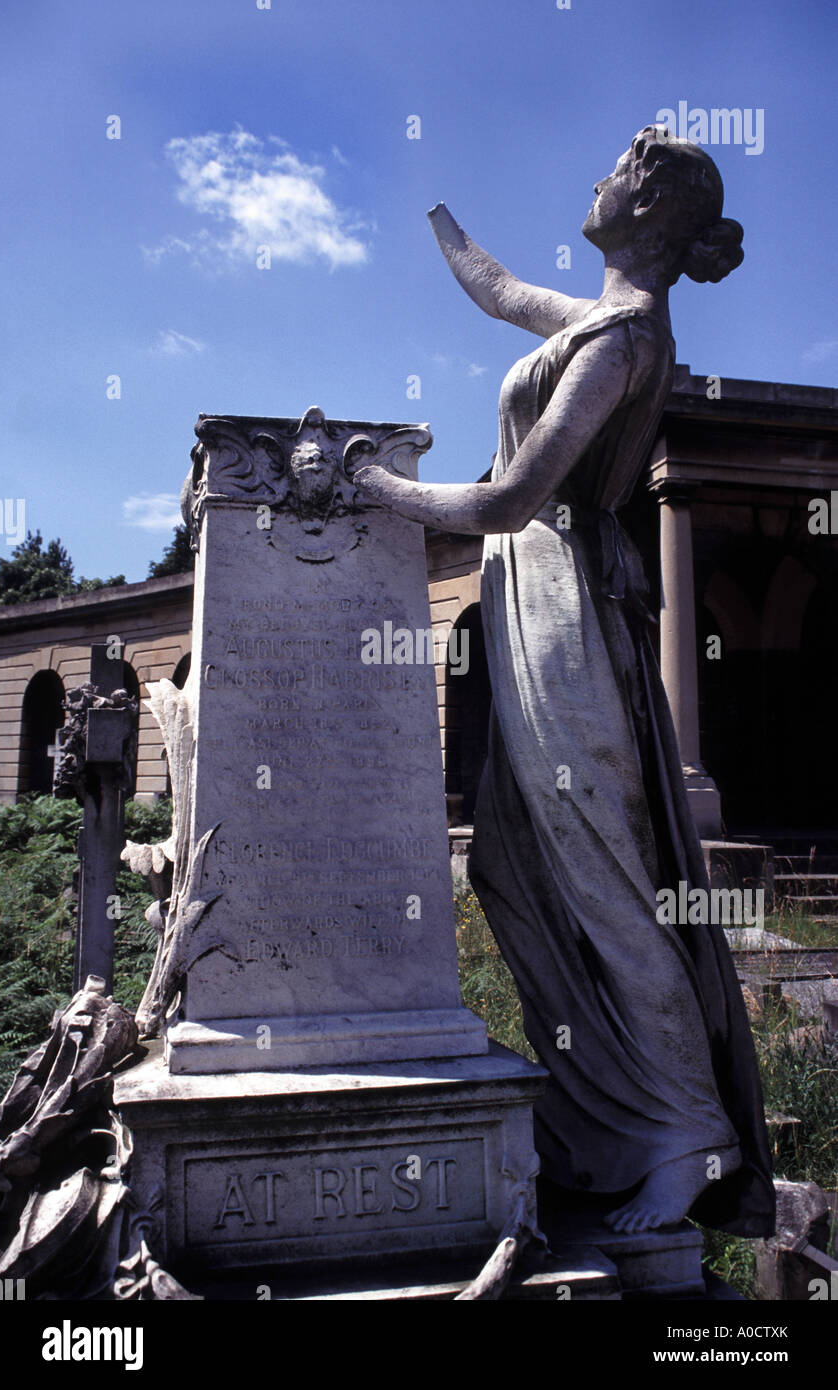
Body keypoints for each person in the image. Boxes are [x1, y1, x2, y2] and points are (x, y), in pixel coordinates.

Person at [355, 126, 775, 1237]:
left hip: (563, 614)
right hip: (537, 601)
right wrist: (429, 211)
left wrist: (371, 485)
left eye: (613, 173)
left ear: (644, 211)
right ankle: (606, 1121)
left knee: (602, 878)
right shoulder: (597, 320)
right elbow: (496, 290)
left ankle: (686, 1129)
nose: (591, 180)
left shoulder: (624, 342)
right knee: (506, 860)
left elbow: (505, 501)